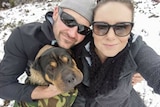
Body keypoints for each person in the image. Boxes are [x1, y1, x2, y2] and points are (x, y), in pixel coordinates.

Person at [0, 0, 96, 104]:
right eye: (69, 21)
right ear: (55, 13)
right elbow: (3, 86)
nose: (72, 34)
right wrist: (45, 92)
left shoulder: (91, 45)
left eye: (82, 29)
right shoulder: (24, 38)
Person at [72, 0, 160, 107]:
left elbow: (155, 69)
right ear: (92, 28)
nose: (110, 36)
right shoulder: (78, 50)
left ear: (131, 29)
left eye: (121, 27)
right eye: (101, 26)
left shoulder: (135, 48)